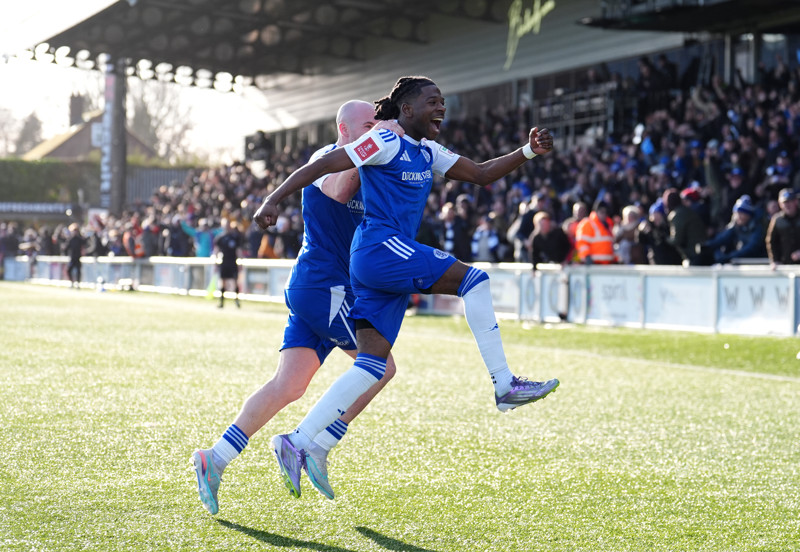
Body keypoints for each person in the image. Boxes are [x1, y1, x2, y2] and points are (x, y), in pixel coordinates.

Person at [253, 76, 559, 499]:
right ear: (407, 109)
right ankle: (504, 384)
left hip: (380, 263)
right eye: (432, 101)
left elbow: (482, 174)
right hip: (380, 249)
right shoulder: (382, 141)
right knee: (475, 280)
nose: (441, 108)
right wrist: (272, 199)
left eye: (444, 102)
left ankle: (302, 442)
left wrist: (527, 151)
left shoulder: (428, 151)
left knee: (373, 367)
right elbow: (324, 166)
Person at [191, 100, 400, 514]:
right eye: (367, 125)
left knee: (289, 386)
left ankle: (213, 459)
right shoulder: (325, 158)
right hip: (324, 286)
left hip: (326, 288)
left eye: (378, 124)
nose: (375, 130)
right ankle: (316, 445)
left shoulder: (368, 162)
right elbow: (339, 191)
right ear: (344, 128)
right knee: (381, 366)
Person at [701, 195, 766, 264]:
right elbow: (723, 238)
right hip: (742, 262)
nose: (738, 216)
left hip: (758, 263)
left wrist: (730, 256)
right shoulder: (735, 226)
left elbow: (751, 248)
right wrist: (708, 245)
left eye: (741, 213)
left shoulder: (757, 227)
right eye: (736, 213)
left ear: (749, 215)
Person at [213, 219, 244, 308]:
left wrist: (240, 262)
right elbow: (216, 251)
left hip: (233, 262)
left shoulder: (235, 237)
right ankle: (222, 302)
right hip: (224, 262)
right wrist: (215, 263)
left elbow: (238, 251)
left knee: (235, 281)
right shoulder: (220, 238)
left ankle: (237, 301)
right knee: (223, 282)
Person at [575, 200, 617, 264]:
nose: (604, 215)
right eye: (602, 212)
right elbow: (582, 242)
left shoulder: (608, 224)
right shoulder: (588, 223)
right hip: (594, 263)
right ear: (596, 212)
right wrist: (586, 256)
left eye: (606, 212)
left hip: (608, 263)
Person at [766, 188, 800, 266]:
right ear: (780, 204)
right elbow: (771, 242)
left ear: (796, 201)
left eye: (790, 201)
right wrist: (775, 260)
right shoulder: (777, 220)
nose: (787, 205)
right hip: (785, 265)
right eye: (784, 202)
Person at [65, 223, 84, 289]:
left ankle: (77, 284)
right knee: (69, 270)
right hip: (72, 258)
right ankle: (72, 282)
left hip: (78, 257)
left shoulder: (79, 239)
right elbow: (66, 248)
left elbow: (84, 245)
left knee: (78, 271)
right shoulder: (70, 239)